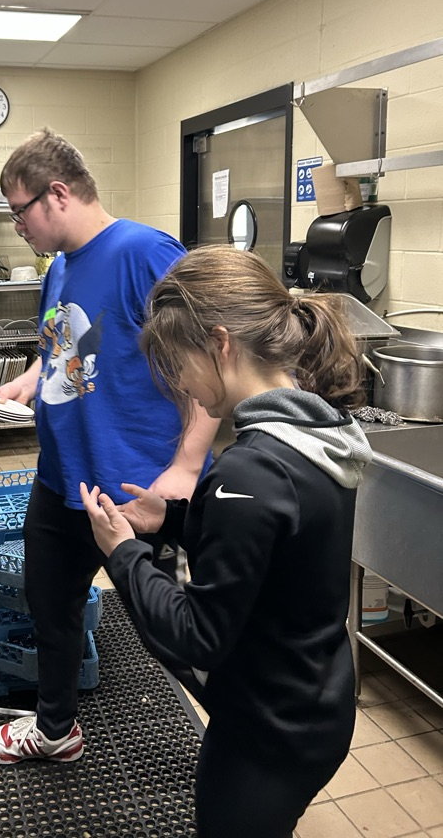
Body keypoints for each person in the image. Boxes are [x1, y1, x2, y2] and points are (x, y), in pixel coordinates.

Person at [79, 244, 374, 838]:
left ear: (219, 344)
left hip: (268, 733)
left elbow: (197, 636)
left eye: (178, 362)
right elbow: (283, 544)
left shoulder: (250, 470)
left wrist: (123, 552)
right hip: (316, 697)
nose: (183, 384)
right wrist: (176, 521)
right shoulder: (316, 429)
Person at [0, 129, 219, 764]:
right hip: (63, 480)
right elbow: (67, 354)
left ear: (57, 195)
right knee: (50, 606)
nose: (17, 228)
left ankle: (246, 730)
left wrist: (186, 467)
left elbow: (210, 365)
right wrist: (30, 382)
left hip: (135, 490)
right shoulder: (59, 268)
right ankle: (57, 731)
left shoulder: (146, 251)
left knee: (165, 628)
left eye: (18, 212)